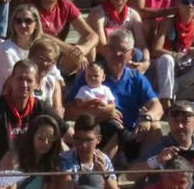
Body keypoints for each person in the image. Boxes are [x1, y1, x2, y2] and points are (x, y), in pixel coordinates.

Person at [67, 28, 164, 161]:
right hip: (101, 134)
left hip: (130, 134)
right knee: (112, 128)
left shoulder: (135, 78)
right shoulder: (92, 75)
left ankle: (141, 173)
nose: (116, 53)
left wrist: (147, 118)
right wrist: (104, 112)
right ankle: (105, 173)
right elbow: (69, 112)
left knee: (155, 127)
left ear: (132, 53)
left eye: (122, 50)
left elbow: (157, 106)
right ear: (105, 50)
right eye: (112, 48)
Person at [0, 58, 59, 168]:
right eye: (20, 79)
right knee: (13, 155)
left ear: (37, 83)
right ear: (11, 80)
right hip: (0, 171)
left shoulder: (41, 108)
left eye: (29, 80)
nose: (24, 84)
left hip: (33, 168)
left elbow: (65, 131)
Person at [25, 0, 99, 74]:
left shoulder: (66, 6)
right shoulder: (29, 4)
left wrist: (83, 49)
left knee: (90, 47)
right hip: (35, 57)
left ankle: (84, 87)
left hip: (59, 58)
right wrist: (70, 50)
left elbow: (93, 35)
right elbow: (37, 34)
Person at [59, 116, 126, 189]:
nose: (83, 145)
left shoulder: (104, 160)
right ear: (73, 138)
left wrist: (105, 175)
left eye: (88, 140)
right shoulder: (65, 160)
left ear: (98, 139)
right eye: (79, 140)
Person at [88, 0, 146, 66]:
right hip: (101, 59)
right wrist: (124, 61)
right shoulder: (98, 13)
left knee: (138, 54)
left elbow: (142, 45)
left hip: (122, 59)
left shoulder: (133, 15)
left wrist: (146, 63)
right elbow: (102, 47)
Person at [0, 4, 42, 99]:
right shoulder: (5, 50)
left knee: (53, 81)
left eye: (28, 21)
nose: (23, 25)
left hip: (32, 92)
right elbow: (16, 80)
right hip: (6, 97)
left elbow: (53, 71)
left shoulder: (39, 47)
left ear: (36, 25)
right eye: (18, 21)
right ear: (13, 24)